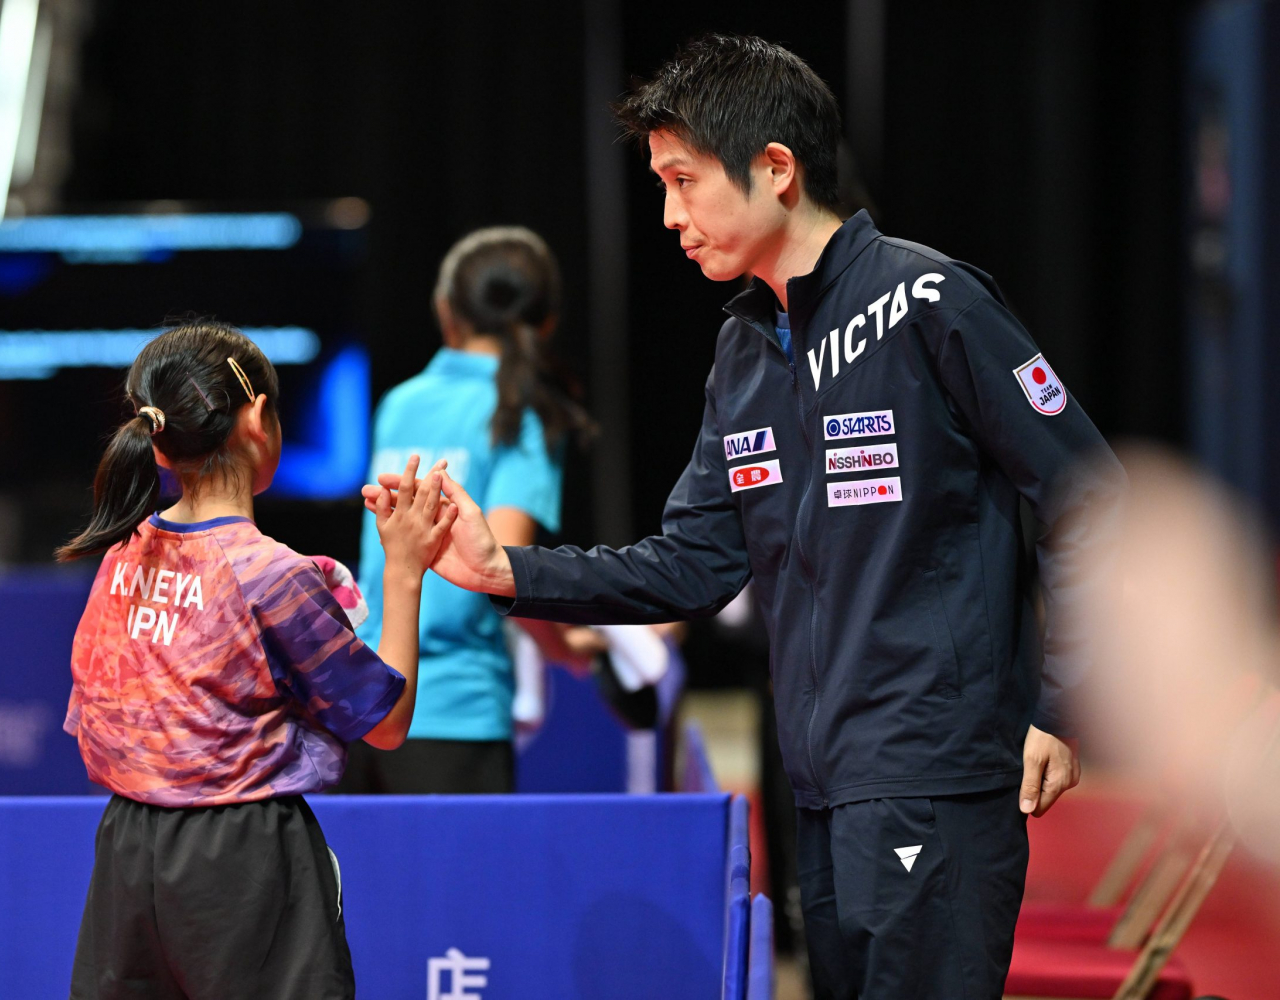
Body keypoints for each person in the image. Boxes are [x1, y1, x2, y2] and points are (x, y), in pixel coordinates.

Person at [367, 35, 1124, 1000]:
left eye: (684, 182)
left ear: (775, 168)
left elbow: (1092, 497)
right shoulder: (745, 349)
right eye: (661, 187)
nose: (671, 217)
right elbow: (692, 561)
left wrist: (1060, 705)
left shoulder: (930, 302)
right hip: (818, 789)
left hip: (933, 776)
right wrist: (505, 572)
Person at [58, 322, 455, 1000]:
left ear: (158, 441)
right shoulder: (272, 574)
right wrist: (405, 570)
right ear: (258, 419)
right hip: (244, 859)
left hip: (126, 850)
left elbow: (96, 721)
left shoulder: (120, 557)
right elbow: (385, 724)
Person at [340, 226, 593, 795]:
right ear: (546, 323)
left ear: (445, 310)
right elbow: (502, 567)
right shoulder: (519, 414)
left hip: (367, 702)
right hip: (457, 715)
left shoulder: (399, 403)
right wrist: (564, 646)